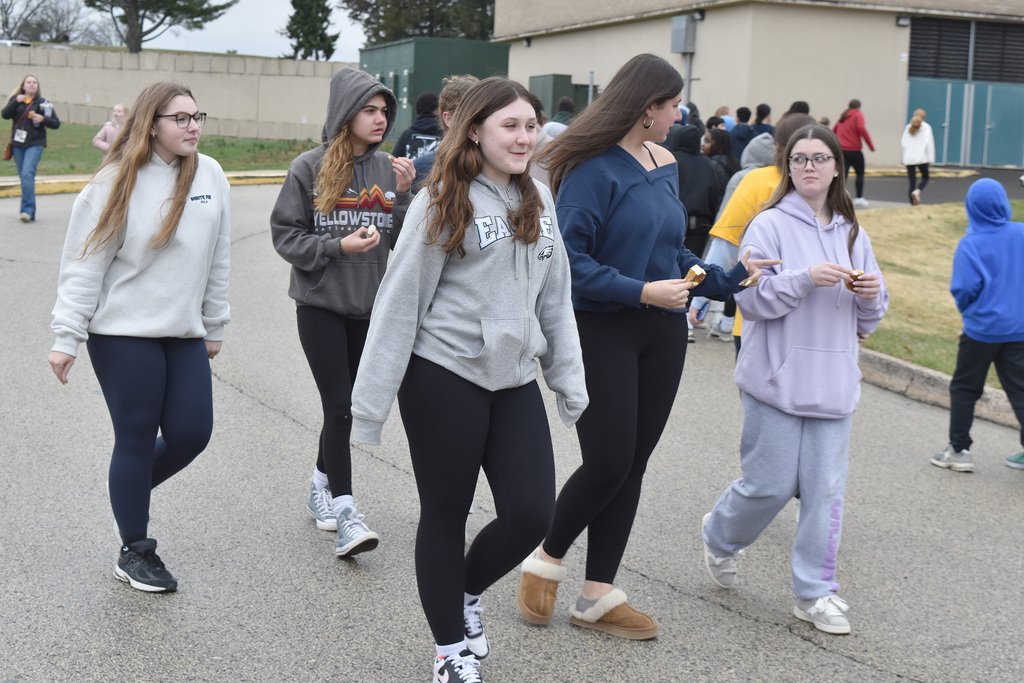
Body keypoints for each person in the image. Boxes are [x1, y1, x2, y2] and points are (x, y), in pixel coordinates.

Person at [516, 53, 774, 641]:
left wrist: (728, 278)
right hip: (602, 327)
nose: (679, 111)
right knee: (608, 460)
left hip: (663, 331)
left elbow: (673, 253)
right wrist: (640, 292)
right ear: (646, 108)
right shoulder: (589, 169)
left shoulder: (664, 162)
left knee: (632, 465)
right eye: (672, 102)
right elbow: (570, 264)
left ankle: (598, 595)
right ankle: (545, 561)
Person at [350, 76, 588, 683]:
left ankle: (464, 590)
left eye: (531, 125)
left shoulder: (538, 196)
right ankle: (450, 654)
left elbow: (555, 297)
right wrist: (369, 406)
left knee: (533, 514)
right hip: (443, 376)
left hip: (512, 380)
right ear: (475, 130)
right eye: (510, 125)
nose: (524, 136)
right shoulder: (441, 200)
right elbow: (398, 304)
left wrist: (569, 380)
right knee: (445, 514)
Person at [701, 124, 888, 636]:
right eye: (800, 159)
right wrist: (805, 280)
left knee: (826, 493)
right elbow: (751, 301)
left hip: (833, 384)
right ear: (789, 168)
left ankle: (816, 592)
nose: (809, 166)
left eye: (820, 158)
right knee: (770, 486)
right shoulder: (768, 225)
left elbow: (867, 323)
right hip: (775, 380)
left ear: (836, 169)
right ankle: (719, 536)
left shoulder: (854, 233)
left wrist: (871, 294)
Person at [47, 81, 231, 593]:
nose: (193, 126)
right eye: (181, 118)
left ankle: (128, 494)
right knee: (134, 435)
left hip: (183, 332)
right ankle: (134, 549)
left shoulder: (211, 174)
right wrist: (67, 336)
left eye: (198, 117)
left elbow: (218, 257)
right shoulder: (114, 182)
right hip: (122, 332)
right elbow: (84, 264)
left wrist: (214, 323)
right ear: (152, 124)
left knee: (193, 432)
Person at [270, 67, 414, 558]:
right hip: (321, 306)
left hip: (369, 307)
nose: (380, 120)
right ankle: (347, 511)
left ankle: (319, 484)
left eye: (384, 112)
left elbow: (401, 239)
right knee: (341, 406)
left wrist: (406, 194)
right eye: (369, 111)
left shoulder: (385, 170)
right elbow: (286, 237)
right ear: (345, 114)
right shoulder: (308, 168)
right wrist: (337, 247)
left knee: (346, 405)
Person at [696, 115, 816, 346]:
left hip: (760, 314)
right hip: (817, 320)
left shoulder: (757, 181)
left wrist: (700, 301)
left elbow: (727, 245)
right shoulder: (828, 188)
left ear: (778, 145)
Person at [930, 178, 1024, 473]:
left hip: (981, 331)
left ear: (971, 207)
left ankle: (959, 450)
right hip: (1019, 328)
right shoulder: (1021, 232)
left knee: (965, 388)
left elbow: (964, 288)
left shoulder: (970, 244)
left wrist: (969, 310)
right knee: (1021, 390)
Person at [3, 75, 60, 222]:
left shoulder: (43, 103)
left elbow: (56, 123)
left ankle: (26, 210)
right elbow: (4, 114)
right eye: (29, 82)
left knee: (27, 173)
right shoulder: (17, 100)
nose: (32, 85)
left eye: (34, 82)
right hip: (17, 145)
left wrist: (43, 119)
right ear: (23, 85)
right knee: (25, 177)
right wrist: (16, 101)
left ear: (37, 86)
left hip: (35, 143)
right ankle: (30, 212)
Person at [412, 75, 479, 193]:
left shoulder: (496, 166)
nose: (478, 122)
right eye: (470, 115)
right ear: (448, 119)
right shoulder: (420, 168)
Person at [833, 99, 874, 208]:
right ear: (859, 106)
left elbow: (834, 129)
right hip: (854, 150)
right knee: (860, 173)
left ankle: (838, 197)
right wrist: (871, 146)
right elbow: (861, 128)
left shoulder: (843, 116)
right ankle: (859, 198)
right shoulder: (858, 115)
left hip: (842, 150)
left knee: (843, 175)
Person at [393, 90, 441, 160]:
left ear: (418, 109)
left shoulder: (407, 135)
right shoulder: (445, 135)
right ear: (436, 110)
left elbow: (394, 161)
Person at [900, 108, 934, 206]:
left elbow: (903, 143)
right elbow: (928, 143)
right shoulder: (926, 127)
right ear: (924, 117)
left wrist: (905, 156)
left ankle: (912, 203)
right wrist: (930, 159)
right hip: (922, 158)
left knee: (912, 182)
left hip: (909, 158)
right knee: (925, 177)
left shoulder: (908, 127)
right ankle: (917, 191)